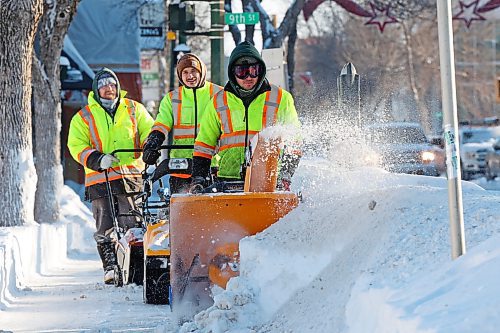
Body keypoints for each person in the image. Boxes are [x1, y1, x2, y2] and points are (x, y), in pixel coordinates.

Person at [67, 68, 154, 284]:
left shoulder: (134, 109)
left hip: (130, 177)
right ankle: (110, 266)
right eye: (104, 85)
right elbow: (76, 145)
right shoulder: (84, 117)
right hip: (100, 178)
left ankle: (134, 268)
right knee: (104, 224)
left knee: (132, 224)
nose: (109, 88)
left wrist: (150, 147)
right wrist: (97, 159)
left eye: (112, 84)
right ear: (96, 89)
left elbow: (149, 131)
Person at [191, 41, 301, 190]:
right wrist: (199, 178)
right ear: (232, 72)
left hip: (269, 181)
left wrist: (286, 175)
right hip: (227, 182)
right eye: (242, 72)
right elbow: (204, 144)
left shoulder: (281, 98)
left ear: (261, 70)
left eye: (253, 70)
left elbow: (295, 141)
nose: (248, 77)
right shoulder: (218, 102)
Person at [142, 53, 222, 193]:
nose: (190, 76)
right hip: (181, 167)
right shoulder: (172, 98)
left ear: (202, 72)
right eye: (185, 72)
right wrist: (153, 142)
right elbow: (162, 123)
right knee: (181, 211)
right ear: (180, 76)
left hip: (212, 164)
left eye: (193, 71)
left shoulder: (219, 94)